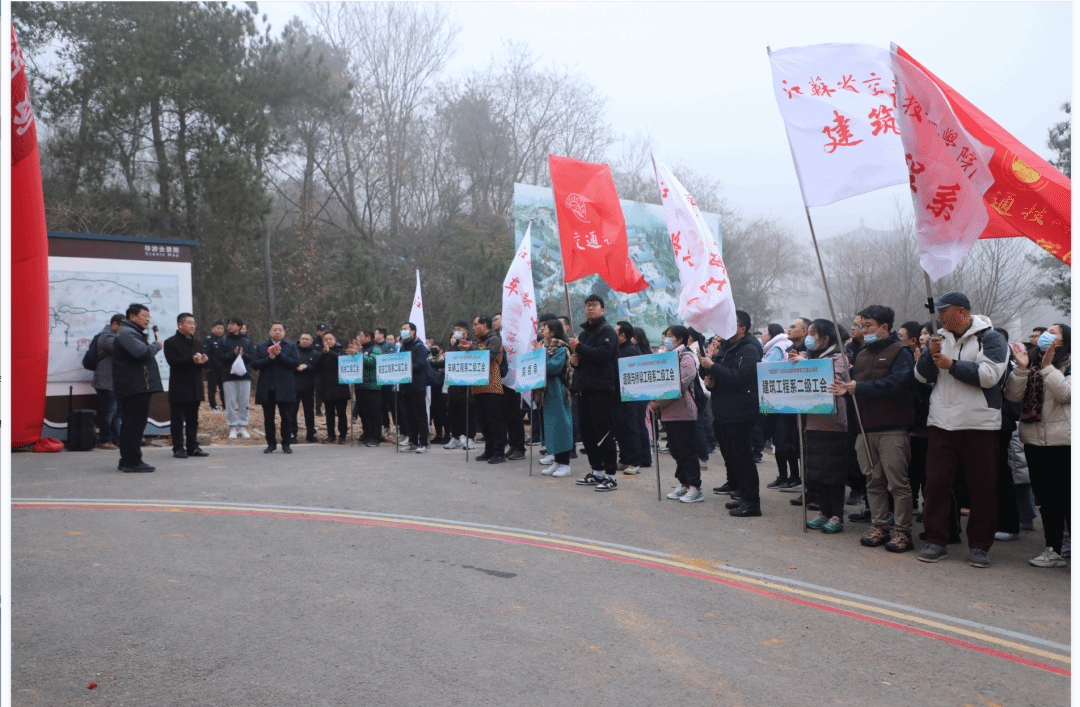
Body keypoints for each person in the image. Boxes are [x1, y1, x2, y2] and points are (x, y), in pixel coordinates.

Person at [914, 292, 1009, 567]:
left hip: (979, 423)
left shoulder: (990, 338)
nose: (939, 316)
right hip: (941, 422)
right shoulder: (939, 338)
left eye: (944, 311)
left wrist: (952, 365)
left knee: (982, 488)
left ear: (962, 312)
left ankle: (979, 546)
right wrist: (929, 356)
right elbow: (921, 377)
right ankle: (935, 540)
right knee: (935, 484)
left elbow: (990, 376)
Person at [831, 305, 915, 552]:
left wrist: (859, 388)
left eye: (867, 326)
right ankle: (879, 526)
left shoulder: (901, 351)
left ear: (884, 327)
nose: (862, 330)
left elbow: (899, 382)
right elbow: (855, 387)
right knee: (873, 481)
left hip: (893, 428)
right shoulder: (862, 354)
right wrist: (845, 391)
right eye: (860, 325)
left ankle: (903, 532)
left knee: (897, 484)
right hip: (865, 428)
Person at [1005, 324, 1071, 568]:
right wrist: (1022, 369)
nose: (1047, 336)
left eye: (1054, 333)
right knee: (1047, 499)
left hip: (1063, 441)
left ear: (1064, 342)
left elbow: (1065, 394)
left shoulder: (1071, 364)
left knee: (1068, 498)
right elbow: (1013, 396)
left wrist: (1048, 368)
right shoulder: (1031, 363)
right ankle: (1052, 550)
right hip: (1033, 440)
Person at [701, 310, 763, 516]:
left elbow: (741, 377)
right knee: (733, 457)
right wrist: (711, 381)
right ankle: (743, 495)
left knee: (744, 457)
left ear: (742, 328)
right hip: (725, 409)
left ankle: (752, 503)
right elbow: (721, 375)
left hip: (741, 410)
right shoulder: (727, 346)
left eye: (730, 323)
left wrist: (714, 368)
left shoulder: (750, 348)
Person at [791, 319, 848, 533]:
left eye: (812, 333)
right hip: (812, 423)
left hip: (833, 424)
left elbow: (834, 378)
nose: (809, 337)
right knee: (816, 473)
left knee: (833, 473)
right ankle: (823, 512)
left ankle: (837, 516)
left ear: (825, 339)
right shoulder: (811, 357)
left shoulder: (839, 357)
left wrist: (804, 363)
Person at [569, 295, 620, 491]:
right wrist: (576, 361)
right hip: (584, 388)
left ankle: (611, 476)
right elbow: (584, 359)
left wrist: (579, 347)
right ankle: (597, 471)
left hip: (601, 389)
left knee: (604, 432)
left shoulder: (606, 330)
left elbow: (602, 355)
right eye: (587, 305)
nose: (590, 308)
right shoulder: (582, 334)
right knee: (588, 433)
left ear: (602, 309)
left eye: (594, 305)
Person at [112, 303, 163, 473]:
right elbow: (142, 353)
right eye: (144, 316)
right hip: (134, 386)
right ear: (132, 317)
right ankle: (132, 461)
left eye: (149, 317)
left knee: (130, 424)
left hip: (136, 385)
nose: (147, 320)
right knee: (134, 425)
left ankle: (126, 460)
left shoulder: (132, 332)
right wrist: (156, 346)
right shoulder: (127, 333)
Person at [658, 326, 705, 503]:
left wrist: (659, 402)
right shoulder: (666, 357)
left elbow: (678, 386)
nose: (666, 340)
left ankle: (696, 487)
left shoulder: (686, 358)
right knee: (676, 451)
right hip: (668, 412)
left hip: (683, 412)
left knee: (687, 451)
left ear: (679, 339)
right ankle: (684, 483)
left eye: (670, 336)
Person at [163, 312, 211, 459]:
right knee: (177, 420)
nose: (192, 326)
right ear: (180, 325)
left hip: (195, 387)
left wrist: (204, 361)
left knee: (193, 419)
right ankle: (178, 448)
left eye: (194, 323)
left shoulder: (197, 343)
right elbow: (173, 362)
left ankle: (193, 447)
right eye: (189, 323)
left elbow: (205, 364)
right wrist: (192, 360)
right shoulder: (170, 342)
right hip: (179, 386)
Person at [460, 315, 506, 464]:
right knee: (484, 421)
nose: (473, 328)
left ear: (485, 326)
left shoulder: (495, 340)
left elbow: (488, 357)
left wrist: (471, 348)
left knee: (494, 421)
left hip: (493, 386)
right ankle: (489, 450)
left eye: (475, 324)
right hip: (478, 387)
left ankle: (499, 452)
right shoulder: (478, 341)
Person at [761, 323, 801, 491]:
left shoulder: (777, 348)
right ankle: (785, 477)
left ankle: (792, 477)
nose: (763, 335)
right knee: (781, 441)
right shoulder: (783, 345)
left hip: (780, 400)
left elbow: (765, 369)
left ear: (772, 334)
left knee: (783, 441)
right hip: (782, 400)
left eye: (765, 331)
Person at [252, 322, 300, 453]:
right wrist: (270, 358)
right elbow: (254, 364)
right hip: (267, 387)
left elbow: (295, 363)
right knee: (269, 418)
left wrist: (280, 355)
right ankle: (271, 444)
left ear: (284, 332)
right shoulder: (262, 346)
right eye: (275, 330)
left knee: (286, 417)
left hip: (285, 387)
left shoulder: (290, 346)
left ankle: (286, 444)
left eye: (280, 330)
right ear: (269, 332)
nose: (277, 332)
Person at [535, 319, 574, 478]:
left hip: (557, 390)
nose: (542, 331)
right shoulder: (546, 346)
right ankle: (556, 461)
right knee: (551, 427)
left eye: (545, 329)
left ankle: (565, 463)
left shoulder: (561, 349)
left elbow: (553, 367)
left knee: (561, 426)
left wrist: (540, 353)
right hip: (546, 392)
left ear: (552, 332)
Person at [613, 320, 644, 474]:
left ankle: (634, 462)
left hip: (630, 395)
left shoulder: (631, 350)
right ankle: (624, 459)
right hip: (617, 395)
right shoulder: (617, 349)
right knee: (620, 428)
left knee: (630, 428)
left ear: (622, 335)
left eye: (615, 331)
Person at [217, 317, 254, 440]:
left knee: (244, 402)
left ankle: (243, 426)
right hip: (229, 376)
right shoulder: (223, 341)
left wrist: (243, 355)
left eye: (233, 324)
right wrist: (232, 354)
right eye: (229, 324)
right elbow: (220, 358)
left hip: (244, 376)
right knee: (230, 402)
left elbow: (252, 358)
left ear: (239, 326)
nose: (230, 326)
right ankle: (232, 427)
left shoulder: (247, 341)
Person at [397, 322, 430, 453]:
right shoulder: (403, 347)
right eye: (402, 329)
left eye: (405, 329)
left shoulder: (420, 347)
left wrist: (405, 367)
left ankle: (423, 443)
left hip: (417, 386)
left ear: (413, 332)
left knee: (420, 416)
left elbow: (421, 365)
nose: (403, 331)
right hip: (405, 387)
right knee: (408, 416)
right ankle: (412, 441)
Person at [92, 314, 123, 449]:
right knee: (109, 412)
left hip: (116, 382)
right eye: (124, 326)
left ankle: (115, 439)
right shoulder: (105, 337)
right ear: (114, 324)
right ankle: (105, 440)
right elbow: (121, 349)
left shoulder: (115, 336)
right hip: (105, 381)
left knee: (117, 413)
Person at [349, 330, 384, 447]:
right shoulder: (362, 349)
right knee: (363, 413)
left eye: (360, 336)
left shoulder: (376, 349)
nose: (358, 338)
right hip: (360, 385)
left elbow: (372, 362)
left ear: (368, 337)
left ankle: (376, 436)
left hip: (372, 386)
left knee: (373, 412)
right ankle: (367, 434)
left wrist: (357, 354)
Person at [314, 332, 351, 444]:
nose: (328, 341)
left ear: (335, 340)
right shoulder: (321, 353)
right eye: (326, 339)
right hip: (326, 387)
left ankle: (343, 435)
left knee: (341, 413)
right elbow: (316, 366)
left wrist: (329, 352)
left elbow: (342, 361)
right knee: (329, 414)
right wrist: (324, 354)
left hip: (341, 387)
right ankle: (331, 435)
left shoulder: (341, 351)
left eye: (330, 339)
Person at [292, 333, 319, 443]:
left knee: (309, 412)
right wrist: (296, 367)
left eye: (307, 339)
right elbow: (288, 365)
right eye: (302, 338)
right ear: (299, 340)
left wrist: (307, 367)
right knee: (292, 411)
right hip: (294, 386)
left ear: (311, 341)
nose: (304, 341)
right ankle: (292, 434)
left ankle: (311, 434)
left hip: (309, 387)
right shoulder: (293, 351)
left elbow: (318, 368)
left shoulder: (316, 354)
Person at [202, 321, 226, 411]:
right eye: (218, 328)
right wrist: (207, 367)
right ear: (212, 329)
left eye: (222, 328)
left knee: (223, 388)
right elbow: (205, 354)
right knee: (212, 389)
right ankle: (213, 406)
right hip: (212, 369)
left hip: (223, 369)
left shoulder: (224, 340)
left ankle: (225, 406)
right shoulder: (208, 340)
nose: (220, 330)